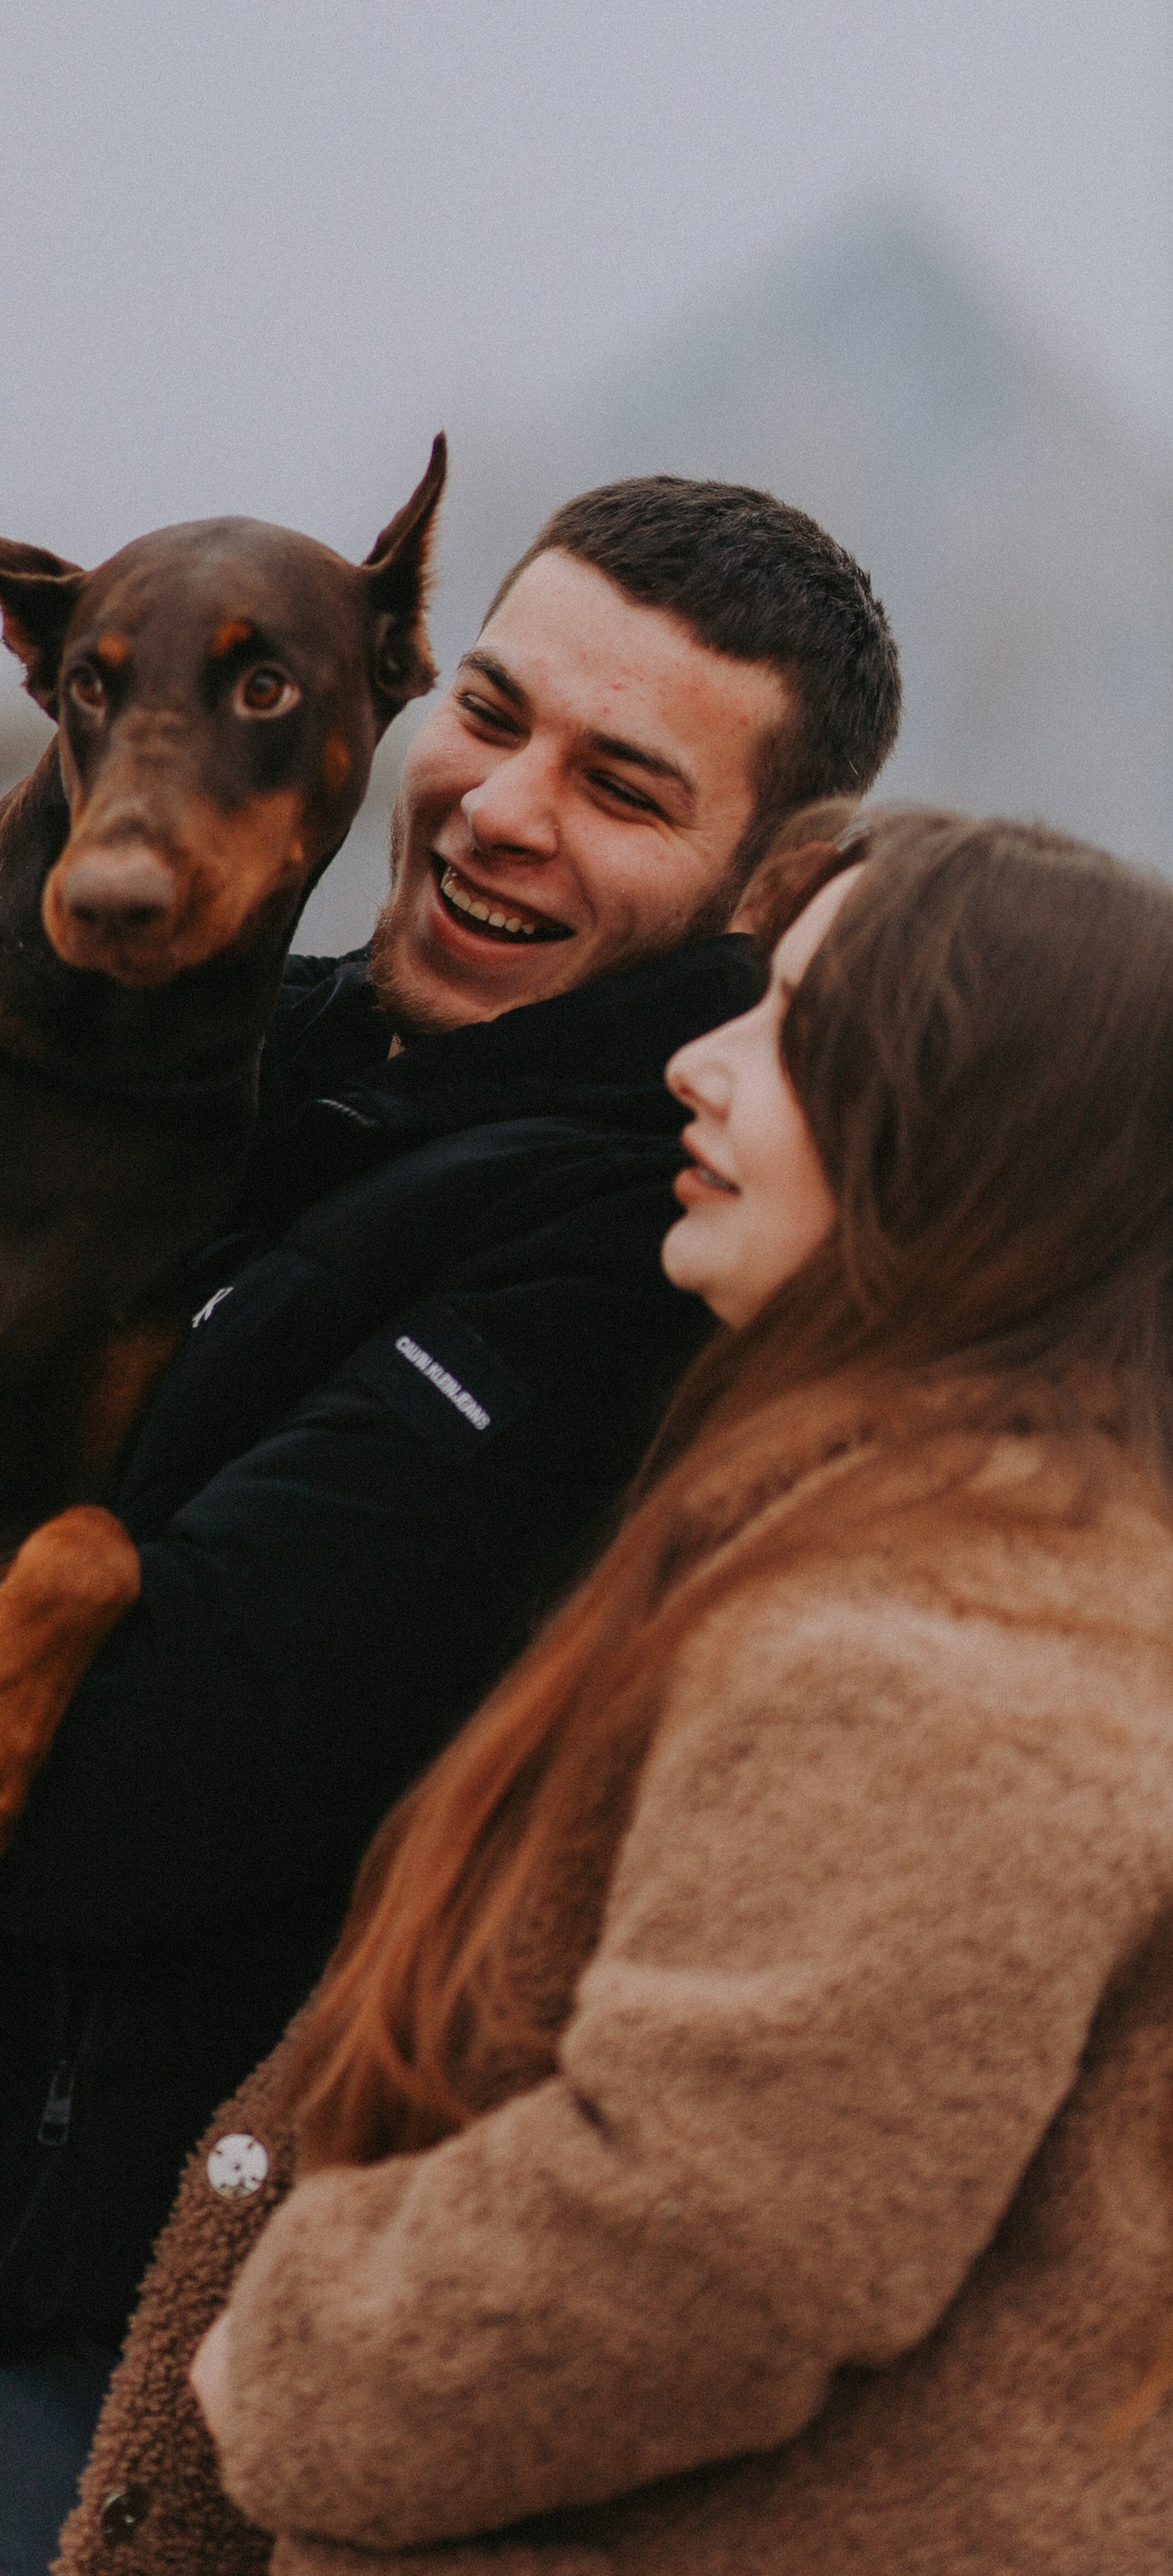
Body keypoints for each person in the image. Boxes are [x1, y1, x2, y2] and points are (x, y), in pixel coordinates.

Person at [0, 474, 902, 2576]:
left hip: (55, 2400)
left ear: (766, 884)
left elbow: (146, 1775)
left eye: (624, 789)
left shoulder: (616, 1253)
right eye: (491, 715)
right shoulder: (221, 1054)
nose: (497, 809)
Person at [159, 807, 1173, 2574]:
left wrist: (288, 2344)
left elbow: (701, 2239)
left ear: (963, 1140)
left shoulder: (934, 1652)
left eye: (784, 1025)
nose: (692, 1068)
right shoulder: (991, 1573)